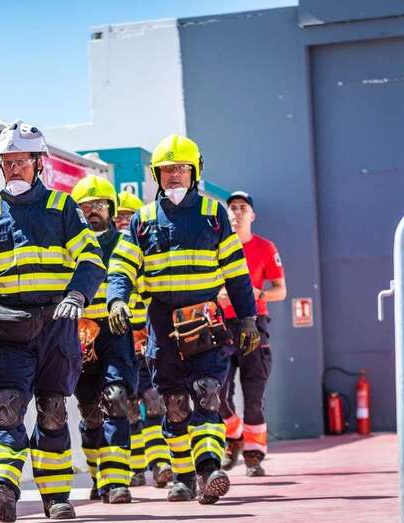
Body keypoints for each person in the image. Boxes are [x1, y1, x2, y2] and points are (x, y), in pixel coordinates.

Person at [0, 121, 105, 521]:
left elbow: (91, 258)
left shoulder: (62, 208)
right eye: (7, 162)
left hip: (56, 328)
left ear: (38, 162)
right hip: (9, 332)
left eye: (20, 161)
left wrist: (77, 294)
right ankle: (2, 491)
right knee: (8, 409)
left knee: (52, 410)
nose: (13, 168)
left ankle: (56, 498)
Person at [106, 135, 260, 505]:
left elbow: (236, 271)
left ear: (195, 172)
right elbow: (122, 266)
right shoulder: (142, 220)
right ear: (156, 175)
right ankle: (184, 478)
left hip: (205, 321)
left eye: (181, 168)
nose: (174, 175)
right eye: (167, 170)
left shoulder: (213, 214)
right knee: (173, 403)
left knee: (207, 393)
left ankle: (209, 470)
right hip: (162, 326)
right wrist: (117, 299)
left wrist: (247, 319)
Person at [70, 176, 138, 504]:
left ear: (111, 208)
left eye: (99, 205)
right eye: (85, 207)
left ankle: (117, 480)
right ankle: (98, 474)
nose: (92, 212)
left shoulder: (125, 244)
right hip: (78, 336)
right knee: (89, 412)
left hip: (114, 334)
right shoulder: (67, 246)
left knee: (115, 398)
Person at [218, 191, 286, 477]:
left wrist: (259, 294)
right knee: (216, 392)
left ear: (252, 215)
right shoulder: (216, 247)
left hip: (254, 325)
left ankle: (253, 456)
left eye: (242, 208)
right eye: (232, 207)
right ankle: (233, 435)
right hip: (221, 327)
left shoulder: (265, 247)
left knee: (254, 396)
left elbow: (281, 291)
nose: (236, 212)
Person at [115, 191, 174, 490]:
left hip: (145, 341)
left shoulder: (149, 253)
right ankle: (135, 468)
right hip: (119, 343)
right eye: (119, 216)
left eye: (128, 216)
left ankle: (160, 463)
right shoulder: (110, 257)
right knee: (126, 407)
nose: (122, 221)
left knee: (154, 403)